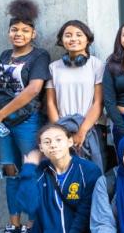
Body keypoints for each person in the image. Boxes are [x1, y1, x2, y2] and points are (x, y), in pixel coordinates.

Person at [0, 0, 50, 233]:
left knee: (31, 170)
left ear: (33, 33)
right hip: (4, 123)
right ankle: (14, 225)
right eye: (14, 30)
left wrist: (0, 114)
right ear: (9, 32)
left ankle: (32, 225)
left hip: (28, 121)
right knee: (10, 172)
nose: (19, 34)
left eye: (24, 30)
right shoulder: (5, 55)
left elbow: (33, 90)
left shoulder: (39, 55)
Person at [45, 19, 105, 169]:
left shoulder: (97, 65)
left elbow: (98, 102)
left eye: (79, 34)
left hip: (89, 127)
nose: (73, 39)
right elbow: (50, 103)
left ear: (88, 39)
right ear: (61, 40)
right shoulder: (54, 67)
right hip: (62, 128)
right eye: (68, 35)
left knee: (92, 172)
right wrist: (60, 133)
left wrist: (82, 131)